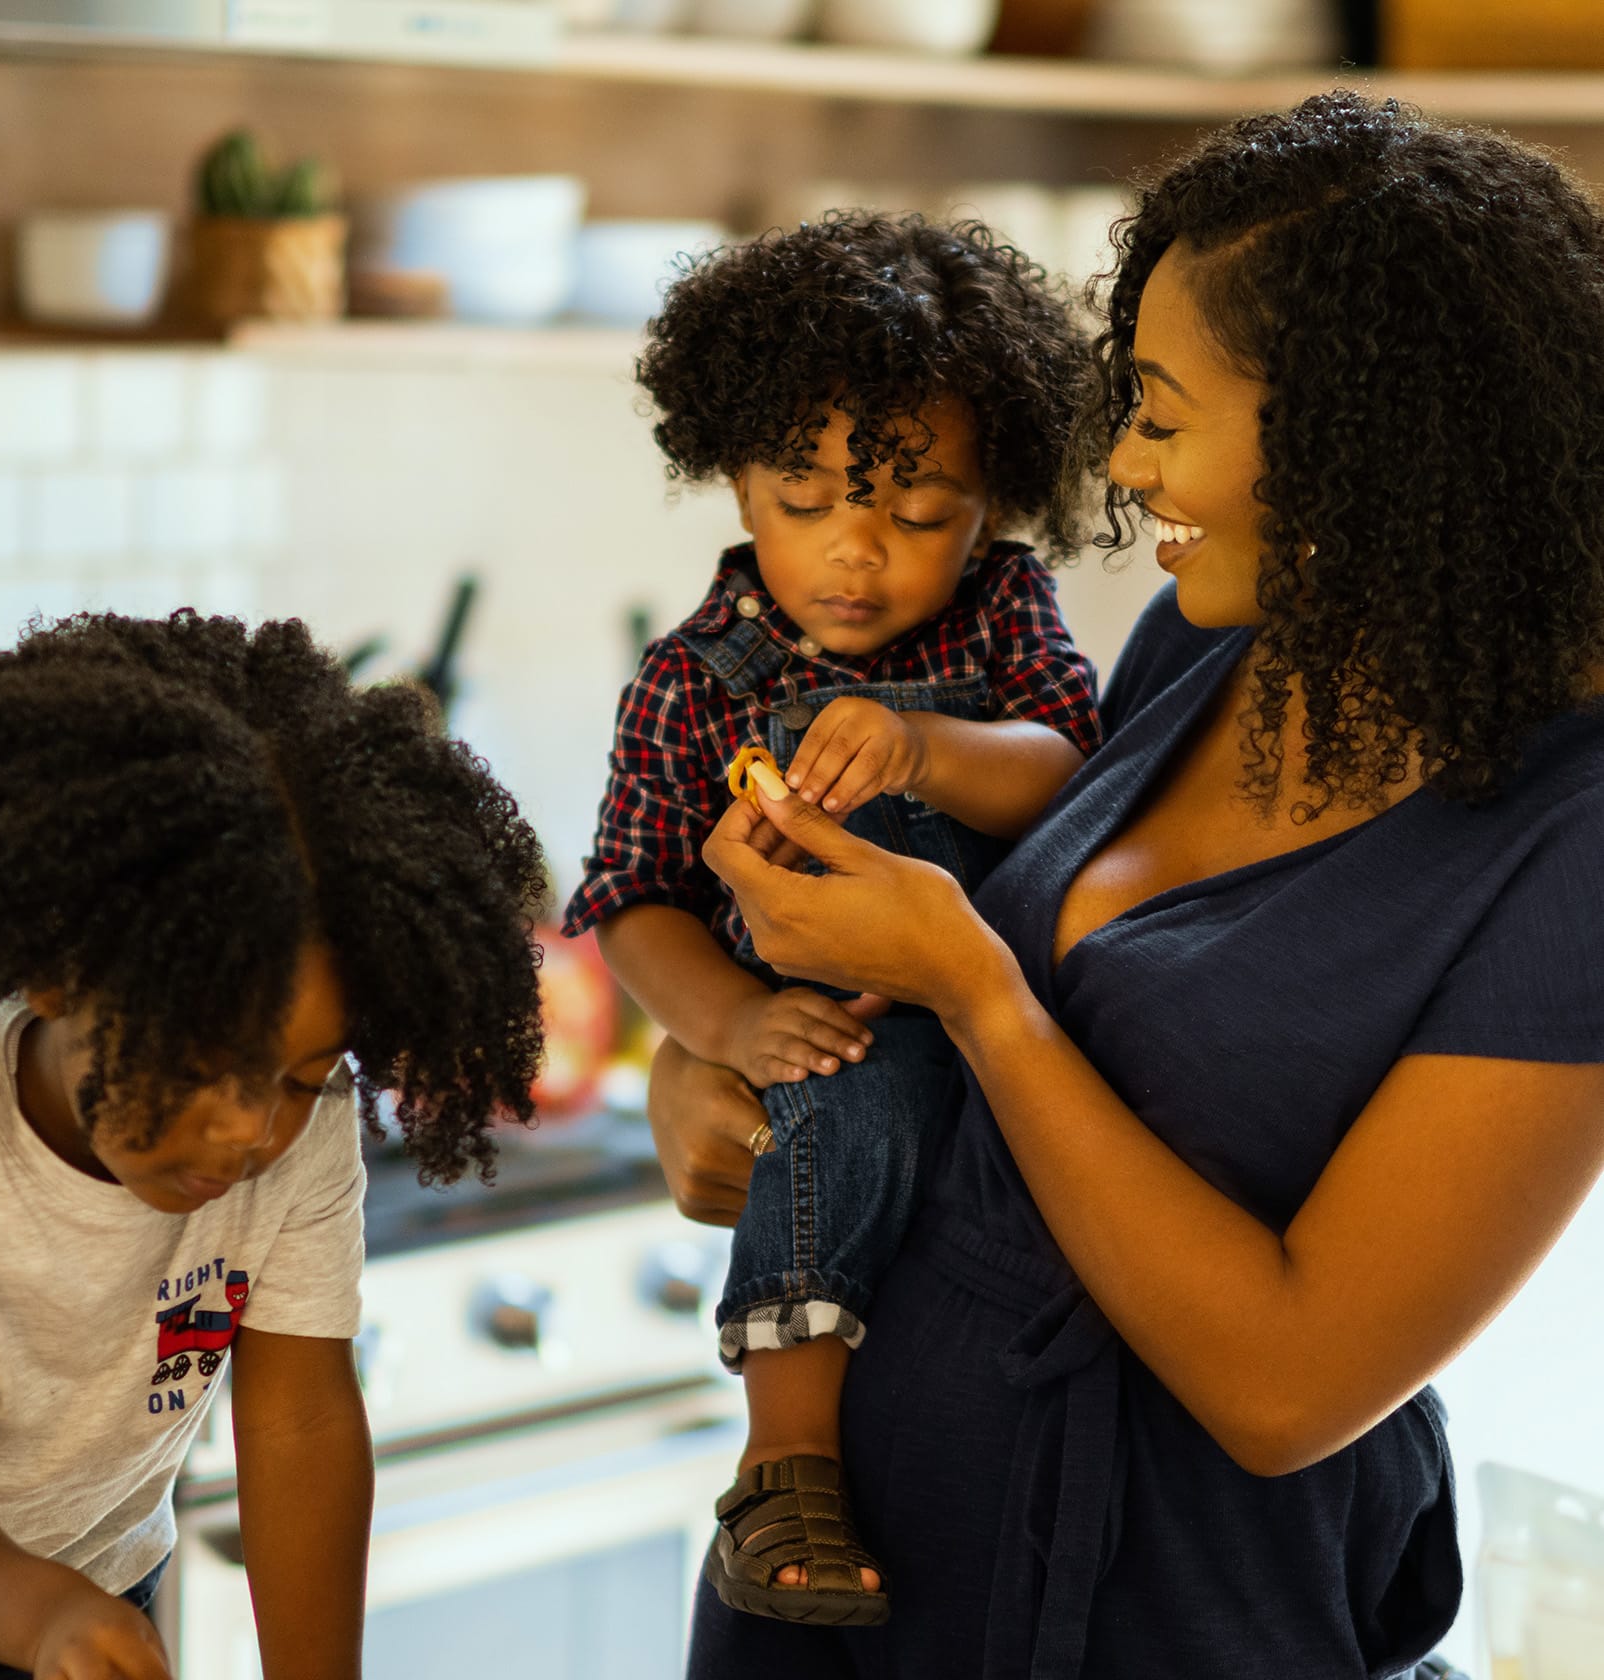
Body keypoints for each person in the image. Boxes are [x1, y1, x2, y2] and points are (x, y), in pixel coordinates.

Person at [652, 89, 1604, 1679]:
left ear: (1352, 434)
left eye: (1161, 412)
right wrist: (734, 1069)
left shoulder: (1574, 836)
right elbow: (971, 1091)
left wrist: (972, 987)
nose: (1126, 460)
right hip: (858, 1572)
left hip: (1176, 1612)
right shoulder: (1213, 648)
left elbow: (1289, 1383)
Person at [0, 611, 545, 1680]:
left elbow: (298, 1422)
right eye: (204, 1063)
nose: (249, 1130)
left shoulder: (305, 1135)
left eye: (296, 1076)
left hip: (84, 1565)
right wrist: (45, 1619)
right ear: (60, 977)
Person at [562, 213, 1101, 1623]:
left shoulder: (1000, 618)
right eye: (805, 504)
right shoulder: (691, 682)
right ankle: (783, 1462)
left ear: (992, 506)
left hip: (997, 1037)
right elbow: (631, 902)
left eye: (918, 516)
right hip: (831, 1029)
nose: (855, 553)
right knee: (837, 1114)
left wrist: (924, 751)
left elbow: (1066, 770)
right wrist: (732, 1021)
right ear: (735, 479)